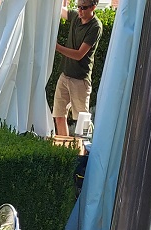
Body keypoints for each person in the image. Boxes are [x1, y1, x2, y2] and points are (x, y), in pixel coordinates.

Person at [53, 1, 103, 139]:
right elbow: (60, 10)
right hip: (65, 75)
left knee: (83, 121)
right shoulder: (76, 16)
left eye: (83, 7)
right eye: (78, 7)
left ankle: (83, 149)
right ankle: (63, 148)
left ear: (93, 7)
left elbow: (79, 54)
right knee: (59, 115)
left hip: (80, 79)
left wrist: (57, 47)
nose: (80, 10)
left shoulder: (95, 27)